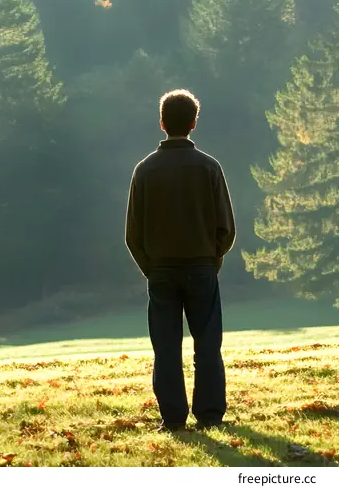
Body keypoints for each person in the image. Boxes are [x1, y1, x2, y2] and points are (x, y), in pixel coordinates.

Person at [126, 88, 236, 432]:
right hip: (201, 267)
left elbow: (133, 234)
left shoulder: (144, 170)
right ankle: (210, 415)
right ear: (193, 123)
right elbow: (226, 228)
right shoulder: (209, 167)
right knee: (208, 345)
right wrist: (212, 259)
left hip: (161, 270)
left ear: (162, 123)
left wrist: (151, 266)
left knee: (166, 347)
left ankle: (173, 418)